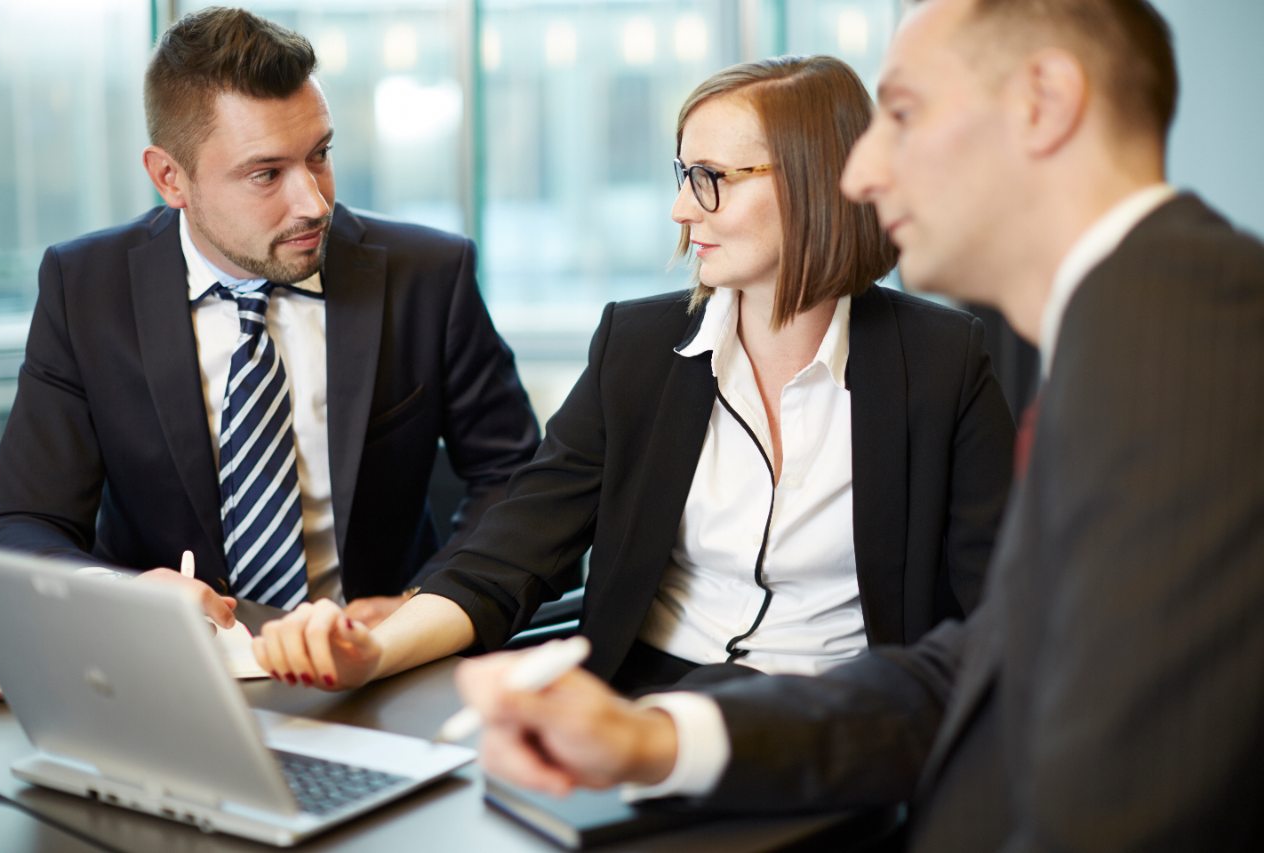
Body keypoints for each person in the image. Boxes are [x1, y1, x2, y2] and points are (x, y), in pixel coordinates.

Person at [452, 0, 1264, 849]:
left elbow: (1135, 800)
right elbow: (982, 665)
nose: (861, 170)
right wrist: (656, 739)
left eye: (903, 115)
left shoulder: (1192, 334)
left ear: (1045, 102)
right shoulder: (1124, 326)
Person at [253, 55, 1014, 691]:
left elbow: (998, 614)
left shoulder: (944, 361)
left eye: (713, 175)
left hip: (841, 719)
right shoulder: (639, 347)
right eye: (684, 173)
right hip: (642, 703)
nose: (683, 207)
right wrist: (375, 651)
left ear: (815, 181)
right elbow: (514, 549)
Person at [0, 8, 539, 631]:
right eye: (266, 174)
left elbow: (519, 483)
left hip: (381, 661)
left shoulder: (430, 274)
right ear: (171, 178)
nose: (314, 202)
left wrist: (426, 605)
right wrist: (122, 594)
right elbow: (22, 524)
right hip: (172, 665)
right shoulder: (86, 287)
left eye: (320, 155)